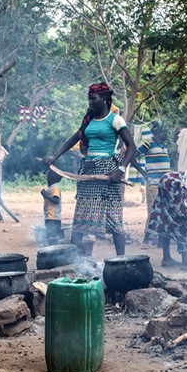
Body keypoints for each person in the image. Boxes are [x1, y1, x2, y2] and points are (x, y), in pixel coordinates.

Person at [43, 82, 138, 255]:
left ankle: (122, 261)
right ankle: (75, 262)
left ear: (104, 99)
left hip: (109, 173)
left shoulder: (115, 119)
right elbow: (74, 138)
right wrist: (54, 156)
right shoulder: (89, 121)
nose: (90, 102)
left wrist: (121, 169)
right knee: (80, 219)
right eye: (89, 99)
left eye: (93, 99)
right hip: (88, 172)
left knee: (114, 220)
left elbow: (132, 147)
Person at [133, 122, 172, 248]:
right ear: (156, 133)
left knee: (165, 212)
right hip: (153, 184)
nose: (165, 135)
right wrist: (143, 172)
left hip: (165, 185)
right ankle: (145, 240)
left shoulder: (164, 146)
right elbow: (132, 157)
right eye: (162, 132)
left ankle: (161, 241)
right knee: (153, 212)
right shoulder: (148, 144)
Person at [41, 170, 63, 244]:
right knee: (51, 237)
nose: (47, 179)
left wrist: (45, 195)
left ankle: (53, 253)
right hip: (50, 217)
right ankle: (54, 252)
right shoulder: (52, 188)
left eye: (48, 177)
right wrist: (45, 195)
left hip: (52, 218)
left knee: (52, 237)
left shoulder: (55, 188)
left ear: (51, 178)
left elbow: (56, 200)